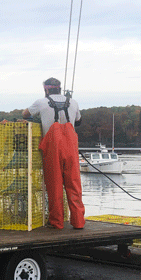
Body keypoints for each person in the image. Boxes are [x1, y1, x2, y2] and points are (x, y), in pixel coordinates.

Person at [22, 77, 85, 229]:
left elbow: (25, 114)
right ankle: (78, 222)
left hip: (52, 146)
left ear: (46, 89)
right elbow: (78, 121)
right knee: (74, 183)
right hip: (71, 146)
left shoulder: (41, 102)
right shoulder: (73, 102)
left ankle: (57, 222)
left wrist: (38, 118)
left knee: (54, 184)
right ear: (60, 88)